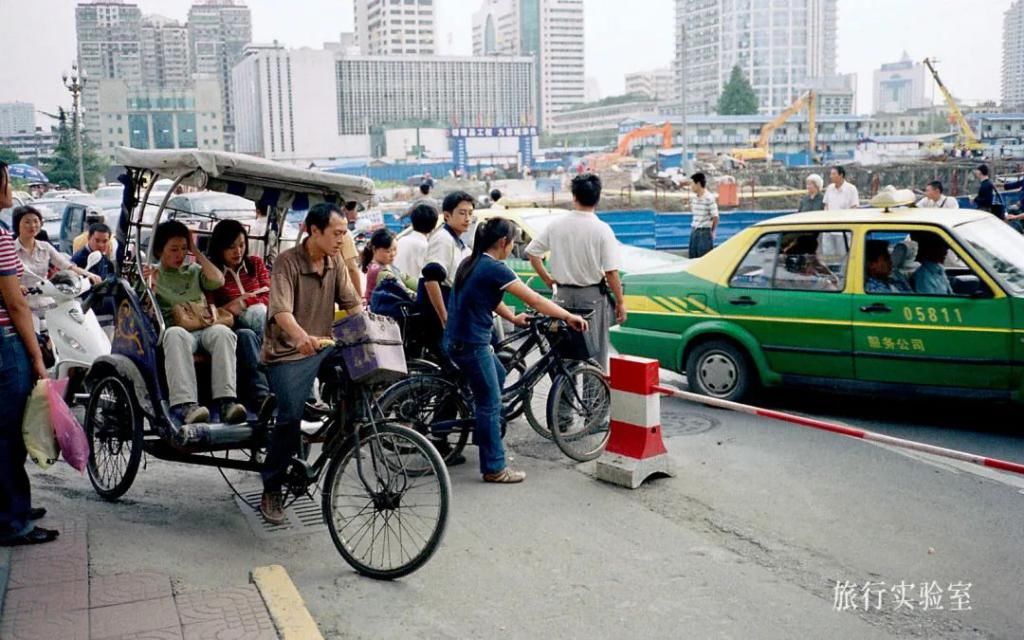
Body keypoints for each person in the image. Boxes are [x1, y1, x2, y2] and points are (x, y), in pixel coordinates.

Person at [447, 217, 588, 483]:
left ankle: (483, 434)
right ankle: (495, 468)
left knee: (498, 376)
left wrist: (513, 319)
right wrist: (568, 316)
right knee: (490, 402)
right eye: (513, 243)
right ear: (504, 242)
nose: (514, 248)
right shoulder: (495, 268)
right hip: (472, 343)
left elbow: (488, 298)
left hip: (457, 339)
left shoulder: (471, 262)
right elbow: (534, 298)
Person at [259, 202, 363, 524]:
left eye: (344, 234)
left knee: (362, 374)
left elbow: (353, 304)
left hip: (324, 346)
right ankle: (271, 487)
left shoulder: (334, 262)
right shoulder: (287, 262)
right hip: (287, 352)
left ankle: (341, 432)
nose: (340, 240)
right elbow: (281, 311)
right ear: (312, 230)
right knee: (289, 416)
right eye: (336, 233)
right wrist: (302, 337)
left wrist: (369, 330)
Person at [0, 162, 57, 547]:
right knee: (9, 435)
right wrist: (37, 357)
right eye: (6, 182)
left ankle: (12, 508)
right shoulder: (1, 238)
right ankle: (13, 521)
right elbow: (16, 304)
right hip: (5, 344)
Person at [150, 221, 246, 426]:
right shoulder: (153, 276)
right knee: (175, 335)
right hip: (177, 330)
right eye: (173, 250)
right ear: (160, 251)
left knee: (223, 332)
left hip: (204, 326)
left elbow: (218, 281)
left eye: (183, 249)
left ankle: (226, 401)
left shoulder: (194, 270)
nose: (179, 254)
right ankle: (185, 405)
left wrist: (195, 251)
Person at [526, 173, 626, 369]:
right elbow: (611, 272)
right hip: (592, 298)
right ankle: (594, 399)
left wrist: (547, 279)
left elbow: (532, 253)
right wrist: (620, 302)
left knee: (564, 354)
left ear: (574, 196)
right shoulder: (602, 229)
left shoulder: (556, 225)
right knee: (594, 354)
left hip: (561, 297)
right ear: (598, 197)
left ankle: (563, 399)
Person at [205, 219, 272, 411]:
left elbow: (271, 294)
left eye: (242, 245)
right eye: (231, 247)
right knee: (247, 331)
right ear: (220, 248)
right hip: (234, 326)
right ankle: (263, 395)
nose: (238, 252)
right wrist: (238, 304)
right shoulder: (214, 275)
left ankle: (269, 391)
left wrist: (243, 301)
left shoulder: (255, 264)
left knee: (256, 321)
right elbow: (214, 311)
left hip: (264, 321)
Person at [420, 191, 474, 337]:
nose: (468, 218)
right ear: (447, 215)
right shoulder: (443, 239)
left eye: (470, 213)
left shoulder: (459, 242)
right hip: (439, 309)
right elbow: (431, 279)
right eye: (462, 213)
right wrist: (445, 318)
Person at [13, 206, 101, 294]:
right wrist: (16, 287)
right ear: (17, 225)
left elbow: (67, 266)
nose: (33, 225)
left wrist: (88, 274)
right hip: (20, 300)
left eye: (36, 221)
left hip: (46, 297)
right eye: (27, 222)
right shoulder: (10, 249)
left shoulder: (45, 247)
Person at [361, 228, 414, 304]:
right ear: (374, 249)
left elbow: (407, 279)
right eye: (388, 251)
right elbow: (406, 293)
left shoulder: (388, 266)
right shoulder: (380, 272)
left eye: (395, 249)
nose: (393, 254)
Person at [394, 203, 437, 283]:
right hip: (412, 291)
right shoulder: (425, 247)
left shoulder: (401, 240)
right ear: (434, 227)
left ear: (412, 222)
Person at [687, 172, 719, 259]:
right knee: (692, 258)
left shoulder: (709, 198)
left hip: (704, 232)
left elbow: (715, 217)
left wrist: (712, 231)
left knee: (704, 259)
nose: (691, 186)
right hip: (694, 231)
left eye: (692, 184)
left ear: (698, 184)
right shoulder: (694, 198)